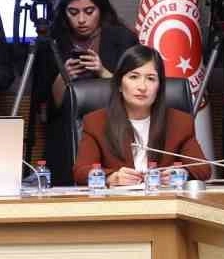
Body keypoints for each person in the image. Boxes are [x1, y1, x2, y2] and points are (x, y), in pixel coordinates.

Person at [31, 0, 139, 184]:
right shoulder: (52, 41)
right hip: (64, 134)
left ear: (101, 9)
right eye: (73, 12)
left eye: (89, 12)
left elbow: (137, 90)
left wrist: (103, 72)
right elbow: (45, 107)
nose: (81, 20)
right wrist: (64, 77)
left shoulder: (122, 38)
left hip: (114, 130)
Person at [73, 45, 211, 186]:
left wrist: (183, 173)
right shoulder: (96, 122)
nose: (142, 87)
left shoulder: (180, 122)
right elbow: (81, 171)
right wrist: (111, 177)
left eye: (151, 79)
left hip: (164, 198)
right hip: (118, 199)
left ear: (159, 87)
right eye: (134, 77)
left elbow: (203, 169)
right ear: (119, 84)